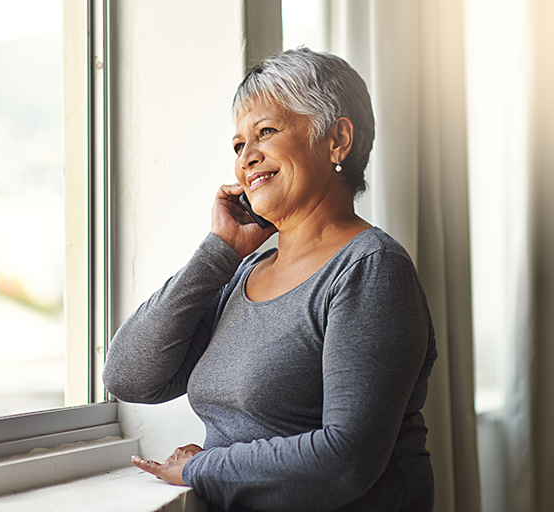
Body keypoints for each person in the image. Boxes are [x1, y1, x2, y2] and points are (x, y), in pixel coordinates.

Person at [102, 47, 437, 512]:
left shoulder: (370, 269)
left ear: (337, 139)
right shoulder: (242, 274)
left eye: (266, 132)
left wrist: (204, 467)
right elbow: (128, 377)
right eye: (239, 145)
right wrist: (218, 252)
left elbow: (347, 460)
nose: (247, 158)